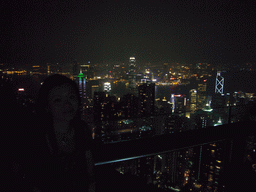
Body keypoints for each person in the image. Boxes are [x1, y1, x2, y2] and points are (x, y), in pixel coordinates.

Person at [24, 74, 95, 191]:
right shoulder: (38, 137)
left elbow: (90, 174)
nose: (67, 105)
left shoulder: (81, 130)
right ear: (47, 106)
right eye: (58, 100)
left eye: (71, 97)